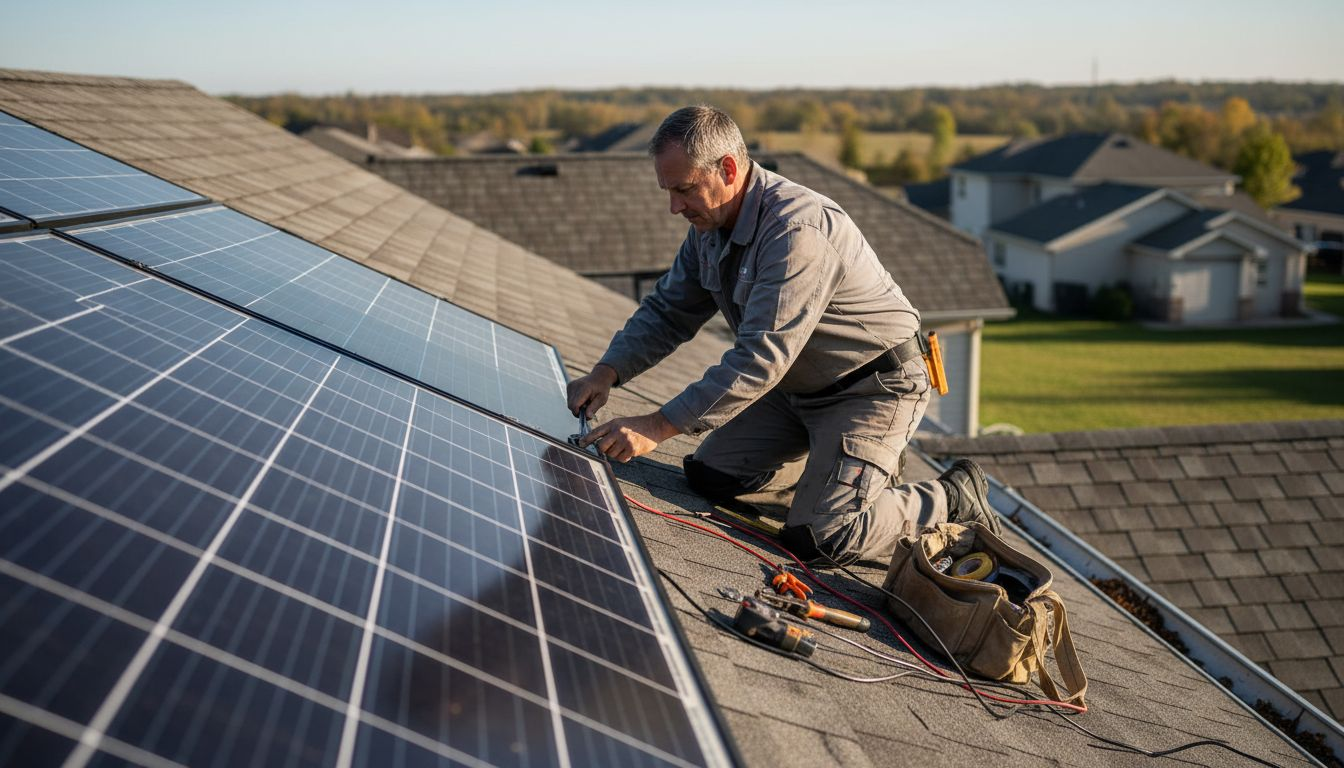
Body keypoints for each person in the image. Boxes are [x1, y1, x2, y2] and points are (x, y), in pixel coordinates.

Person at [568, 105, 999, 565]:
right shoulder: (709, 228)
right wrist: (605, 373)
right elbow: (668, 311)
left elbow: (760, 359)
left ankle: (948, 497)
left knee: (823, 536)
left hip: (871, 390)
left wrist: (656, 426)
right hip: (795, 388)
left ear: (728, 169)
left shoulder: (796, 230)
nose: (675, 206)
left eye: (684, 189)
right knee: (709, 476)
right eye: (668, 191)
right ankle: (836, 477)